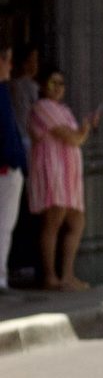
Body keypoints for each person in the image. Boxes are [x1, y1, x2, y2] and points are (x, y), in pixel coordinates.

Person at [28, 68, 98, 290]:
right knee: (53, 222)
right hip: (53, 172)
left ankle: (67, 275)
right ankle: (50, 276)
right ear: (43, 85)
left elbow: (76, 137)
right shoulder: (41, 108)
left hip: (69, 176)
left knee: (76, 221)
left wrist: (84, 130)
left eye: (61, 84)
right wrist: (84, 129)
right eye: (53, 83)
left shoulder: (64, 110)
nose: (58, 88)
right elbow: (71, 136)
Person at [0, 46, 25, 291]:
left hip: (10, 166)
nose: (10, 66)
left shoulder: (5, 91)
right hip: (6, 167)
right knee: (4, 224)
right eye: (6, 60)